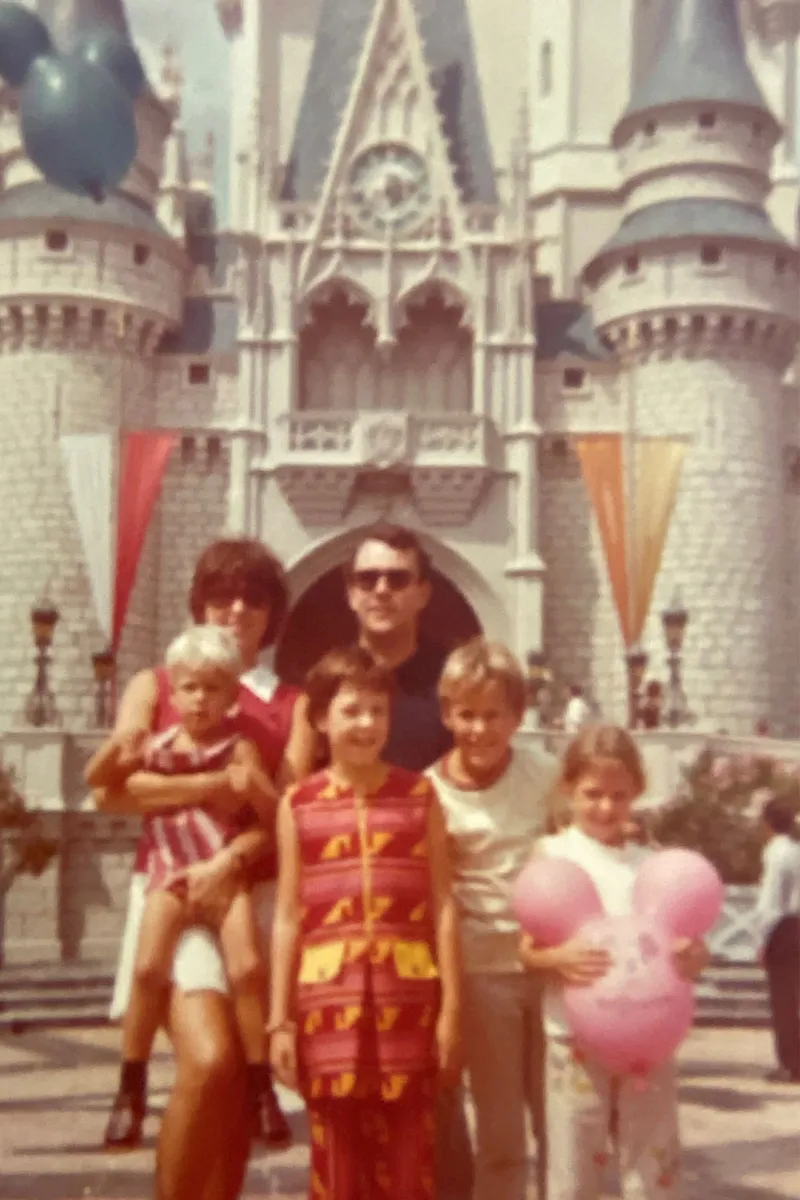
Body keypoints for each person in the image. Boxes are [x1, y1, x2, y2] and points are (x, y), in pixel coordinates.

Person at [93, 538, 316, 1199]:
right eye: (222, 596)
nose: (237, 610)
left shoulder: (293, 703)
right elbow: (112, 791)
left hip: (252, 893)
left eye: (254, 598)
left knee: (228, 1085)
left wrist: (235, 854)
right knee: (211, 1059)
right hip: (173, 884)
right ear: (199, 605)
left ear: (273, 613)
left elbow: (289, 811)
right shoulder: (155, 685)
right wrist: (217, 784)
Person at [268, 646, 461, 1199]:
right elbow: (286, 917)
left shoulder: (419, 796)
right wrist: (280, 1021)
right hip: (329, 1006)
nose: (367, 723)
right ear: (322, 719)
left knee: (410, 1159)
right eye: (352, 710)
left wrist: (451, 1010)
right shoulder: (298, 804)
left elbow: (443, 903)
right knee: (337, 1160)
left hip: (409, 1001)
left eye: (378, 711)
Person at [87, 625, 281, 1150]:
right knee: (147, 969)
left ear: (233, 696)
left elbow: (269, 817)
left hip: (223, 872)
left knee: (247, 968)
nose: (200, 699)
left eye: (213, 689)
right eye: (190, 688)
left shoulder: (239, 748)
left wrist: (251, 792)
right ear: (172, 692)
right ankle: (131, 1083)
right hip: (169, 872)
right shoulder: (158, 746)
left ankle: (261, 1088)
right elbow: (103, 784)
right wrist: (118, 746)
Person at [520, 725, 709, 1200]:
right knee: (573, 1162)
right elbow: (526, 950)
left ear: (637, 793)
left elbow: (686, 946)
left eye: (619, 795)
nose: (606, 807)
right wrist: (556, 957)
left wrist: (692, 958)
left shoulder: (652, 863)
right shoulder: (553, 854)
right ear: (568, 788)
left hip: (649, 1038)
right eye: (593, 794)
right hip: (573, 1037)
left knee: (653, 1165)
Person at [345, 525, 473, 1198]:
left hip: (430, 917)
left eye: (397, 578)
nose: (383, 590)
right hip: (345, 928)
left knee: (436, 1105)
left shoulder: (452, 682)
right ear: (350, 593)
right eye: (369, 579)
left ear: (424, 591)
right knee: (346, 1104)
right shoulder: (333, 683)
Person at [427, 638, 555, 1200]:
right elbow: (439, 899)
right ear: (447, 713)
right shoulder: (430, 792)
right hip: (484, 977)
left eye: (493, 715)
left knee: (563, 1127)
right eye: (467, 715)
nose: (479, 729)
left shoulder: (545, 773)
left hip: (552, 969)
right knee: (501, 1137)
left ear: (517, 716)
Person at [754, 799, 800, 1084]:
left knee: (784, 999)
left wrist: (762, 939)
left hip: (785, 928)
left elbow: (770, 901)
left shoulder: (777, 851)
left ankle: (791, 1063)